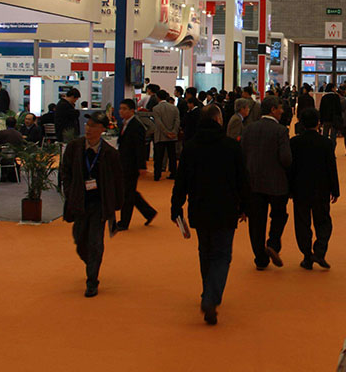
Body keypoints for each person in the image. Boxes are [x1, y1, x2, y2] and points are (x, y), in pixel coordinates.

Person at [171, 104, 248, 326]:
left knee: (205, 252)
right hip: (226, 208)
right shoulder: (231, 147)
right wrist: (245, 206)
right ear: (218, 120)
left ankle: (208, 292)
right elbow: (242, 180)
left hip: (199, 207)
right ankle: (211, 297)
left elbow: (181, 181)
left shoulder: (191, 147)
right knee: (222, 255)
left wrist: (176, 207)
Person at [61, 111, 124, 298]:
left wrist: (116, 204)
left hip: (99, 203)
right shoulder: (74, 147)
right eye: (88, 125)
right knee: (80, 239)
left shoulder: (110, 154)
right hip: (79, 201)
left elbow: (118, 180)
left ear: (102, 129)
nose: (88, 129)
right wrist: (69, 191)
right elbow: (65, 171)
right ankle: (91, 263)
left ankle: (92, 280)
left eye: (94, 126)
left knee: (95, 242)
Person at [241, 96, 292, 270]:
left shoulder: (249, 129)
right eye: (280, 108)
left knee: (256, 222)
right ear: (273, 110)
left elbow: (242, 155)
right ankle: (273, 243)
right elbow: (286, 159)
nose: (282, 111)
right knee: (279, 215)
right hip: (277, 183)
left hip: (253, 182)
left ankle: (260, 258)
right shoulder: (281, 131)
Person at [290, 108, 340, 269]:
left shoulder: (294, 143)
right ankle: (319, 251)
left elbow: (290, 168)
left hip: (300, 188)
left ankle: (307, 256)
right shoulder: (326, 143)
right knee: (324, 222)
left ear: (301, 123)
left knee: (302, 223)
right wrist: (335, 190)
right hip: (321, 189)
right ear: (318, 123)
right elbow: (331, 167)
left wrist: (289, 188)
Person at [116, 99, 157, 230]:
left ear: (131, 110)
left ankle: (124, 222)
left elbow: (140, 147)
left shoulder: (136, 126)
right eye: (120, 108)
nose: (121, 111)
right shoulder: (124, 124)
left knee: (127, 194)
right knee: (130, 192)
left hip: (132, 165)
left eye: (124, 109)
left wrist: (141, 166)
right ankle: (149, 212)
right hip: (124, 163)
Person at [152, 89, 180, 181]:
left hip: (160, 136)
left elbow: (158, 123)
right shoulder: (174, 108)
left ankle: (157, 175)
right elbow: (177, 121)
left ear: (157, 97)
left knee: (159, 157)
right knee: (172, 156)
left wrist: (166, 132)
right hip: (172, 136)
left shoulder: (156, 108)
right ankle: (173, 173)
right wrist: (173, 132)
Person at [319, 83, 342, 150]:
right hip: (334, 119)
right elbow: (339, 109)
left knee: (325, 135)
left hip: (326, 119)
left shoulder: (324, 97)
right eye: (335, 87)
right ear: (332, 88)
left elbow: (321, 109)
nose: (335, 89)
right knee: (333, 136)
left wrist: (321, 120)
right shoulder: (336, 97)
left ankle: (324, 150)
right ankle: (332, 150)